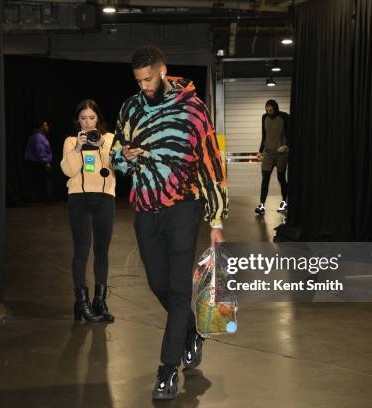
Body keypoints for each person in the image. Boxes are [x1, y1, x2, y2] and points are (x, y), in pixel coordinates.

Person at [110, 45, 228, 400]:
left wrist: (216, 220)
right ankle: (191, 332)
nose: (144, 86)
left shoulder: (193, 109)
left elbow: (211, 164)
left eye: (148, 79)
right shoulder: (130, 108)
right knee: (158, 284)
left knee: (178, 291)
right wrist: (124, 156)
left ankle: (166, 371)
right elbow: (116, 155)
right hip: (145, 211)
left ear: (163, 71)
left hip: (183, 209)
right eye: (138, 81)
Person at [60, 100, 116, 323]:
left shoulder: (110, 138)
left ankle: (99, 301)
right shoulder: (71, 141)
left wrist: (101, 144)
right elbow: (68, 170)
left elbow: (113, 165)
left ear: (98, 119)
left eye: (91, 118)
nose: (87, 122)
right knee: (82, 250)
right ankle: (81, 303)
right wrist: (77, 149)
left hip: (105, 199)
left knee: (102, 252)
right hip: (79, 200)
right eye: (83, 118)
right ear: (78, 121)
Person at [255, 99, 290, 215]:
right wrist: (260, 151)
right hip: (268, 154)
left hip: (281, 154)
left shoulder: (284, 116)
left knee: (281, 178)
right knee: (265, 179)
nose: (268, 111)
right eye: (267, 109)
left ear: (275, 108)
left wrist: (286, 146)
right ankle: (261, 205)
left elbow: (291, 133)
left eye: (270, 109)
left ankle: (285, 202)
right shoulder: (264, 117)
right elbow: (264, 136)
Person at [24, 120, 54, 204]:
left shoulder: (36, 136)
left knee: (36, 182)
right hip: (38, 163)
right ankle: (46, 200)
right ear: (41, 127)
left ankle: (37, 200)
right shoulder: (38, 137)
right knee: (44, 182)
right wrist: (46, 162)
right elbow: (40, 151)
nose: (47, 127)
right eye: (46, 126)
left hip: (34, 163)